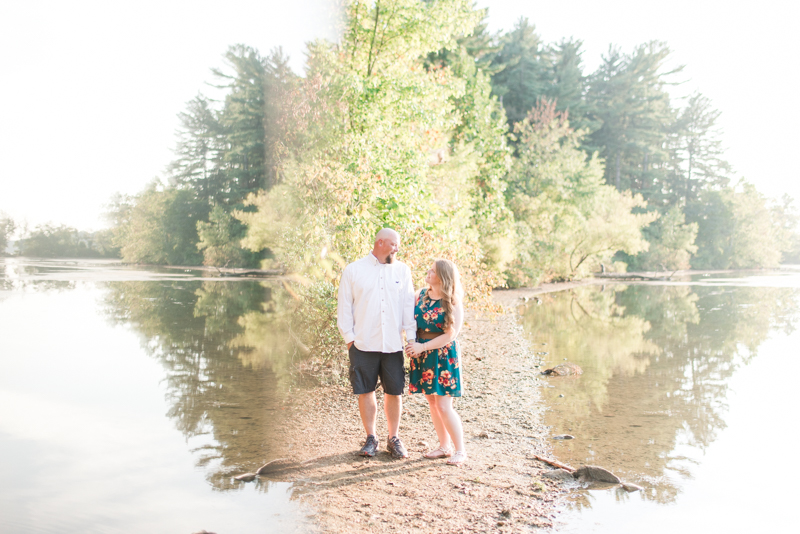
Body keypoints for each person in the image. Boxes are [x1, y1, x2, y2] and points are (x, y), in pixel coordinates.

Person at [337, 228, 416, 459]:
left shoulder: (402, 270)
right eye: (394, 244)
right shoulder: (354, 270)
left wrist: (410, 340)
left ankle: (394, 438)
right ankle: (371, 437)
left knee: (394, 391)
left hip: (393, 344)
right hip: (362, 343)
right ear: (380, 242)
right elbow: (344, 308)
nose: (397, 249)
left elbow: (407, 308)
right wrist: (350, 341)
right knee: (366, 390)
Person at [405, 259, 467, 466]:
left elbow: (451, 334)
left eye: (433, 271)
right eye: (429, 269)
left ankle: (460, 450)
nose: (428, 273)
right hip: (422, 352)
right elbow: (408, 320)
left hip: (442, 354)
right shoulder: (420, 295)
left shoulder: (452, 301)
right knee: (432, 402)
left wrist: (422, 347)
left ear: (443, 277)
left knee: (444, 404)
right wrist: (412, 344)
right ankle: (444, 446)